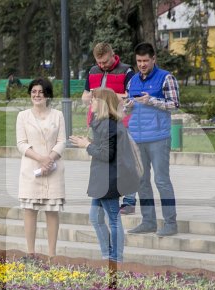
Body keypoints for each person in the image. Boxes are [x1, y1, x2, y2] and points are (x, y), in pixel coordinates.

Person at [125, 42, 179, 237]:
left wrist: (152, 101)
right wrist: (127, 105)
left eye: (145, 60)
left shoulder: (166, 78)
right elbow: (128, 108)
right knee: (141, 181)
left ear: (153, 59)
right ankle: (148, 221)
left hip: (158, 138)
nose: (142, 64)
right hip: (137, 138)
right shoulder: (132, 82)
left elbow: (175, 104)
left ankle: (171, 223)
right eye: (139, 61)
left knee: (162, 180)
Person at [70, 87, 125, 263]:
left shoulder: (109, 124)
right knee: (95, 217)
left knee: (114, 220)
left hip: (109, 180)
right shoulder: (102, 123)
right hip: (101, 178)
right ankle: (107, 255)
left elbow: (107, 154)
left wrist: (86, 145)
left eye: (93, 100)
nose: (90, 103)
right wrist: (87, 143)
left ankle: (116, 258)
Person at [81, 43, 136, 215]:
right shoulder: (92, 71)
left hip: (121, 121)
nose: (102, 66)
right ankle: (106, 194)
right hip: (98, 121)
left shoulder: (126, 71)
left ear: (113, 55)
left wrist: (106, 94)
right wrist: (91, 97)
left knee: (126, 162)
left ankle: (129, 200)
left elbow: (130, 96)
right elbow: (85, 97)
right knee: (104, 159)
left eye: (105, 62)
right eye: (99, 62)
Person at [16, 78, 66, 259]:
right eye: (33, 92)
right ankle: (31, 253)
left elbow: (62, 141)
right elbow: (21, 144)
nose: (37, 95)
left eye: (40, 92)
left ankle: (52, 255)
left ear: (47, 95)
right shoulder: (23, 116)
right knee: (30, 211)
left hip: (53, 170)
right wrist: (40, 159)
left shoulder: (57, 115)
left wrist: (50, 158)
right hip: (31, 169)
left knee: (52, 211)